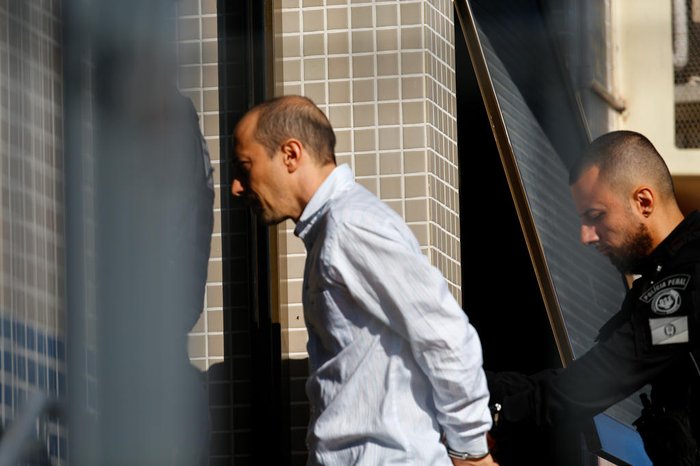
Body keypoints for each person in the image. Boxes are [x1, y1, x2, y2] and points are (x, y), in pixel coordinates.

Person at [230, 95, 496, 465]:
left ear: (290, 154)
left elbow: (445, 335)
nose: (237, 187)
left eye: (245, 167)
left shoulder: (351, 226)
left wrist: (470, 452)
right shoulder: (332, 229)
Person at [487, 130, 700, 466]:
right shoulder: (664, 276)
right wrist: (484, 390)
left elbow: (605, 375)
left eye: (596, 216)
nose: (586, 236)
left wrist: (499, 414)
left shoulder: (688, 281)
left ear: (643, 202)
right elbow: (589, 373)